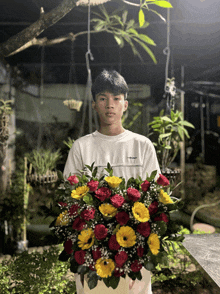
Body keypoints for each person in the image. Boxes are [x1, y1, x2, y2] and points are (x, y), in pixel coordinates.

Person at [63, 69, 161, 294]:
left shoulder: (142, 146)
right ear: (94, 104)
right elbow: (70, 199)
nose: (110, 105)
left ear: (125, 105)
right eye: (103, 98)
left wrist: (145, 258)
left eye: (116, 99)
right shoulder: (81, 147)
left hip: (136, 252)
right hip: (92, 254)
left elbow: (154, 203)